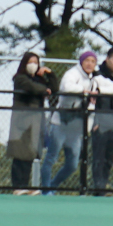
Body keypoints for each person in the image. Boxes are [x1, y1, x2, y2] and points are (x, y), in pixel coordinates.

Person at [44, 50, 101, 194]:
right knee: (51, 157)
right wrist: (85, 91)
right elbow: (67, 88)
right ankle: (45, 191)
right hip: (61, 122)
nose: (90, 64)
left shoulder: (94, 80)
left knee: (72, 164)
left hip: (76, 126)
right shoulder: (72, 74)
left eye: (93, 61)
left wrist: (88, 126)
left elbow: (96, 101)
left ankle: (52, 185)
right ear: (81, 61)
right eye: (87, 60)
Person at [8, 52, 56, 195]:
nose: (33, 64)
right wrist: (44, 90)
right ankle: (17, 186)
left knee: (30, 152)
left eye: (36, 61)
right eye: (30, 61)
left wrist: (50, 74)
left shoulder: (39, 79)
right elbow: (32, 88)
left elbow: (54, 89)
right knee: (19, 152)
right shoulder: (19, 78)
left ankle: (25, 184)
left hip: (36, 119)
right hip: (22, 119)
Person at [88, 49, 113, 194]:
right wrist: (97, 121)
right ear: (107, 59)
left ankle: (103, 186)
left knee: (109, 159)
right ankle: (98, 189)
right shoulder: (97, 76)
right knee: (98, 157)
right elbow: (96, 102)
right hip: (101, 124)